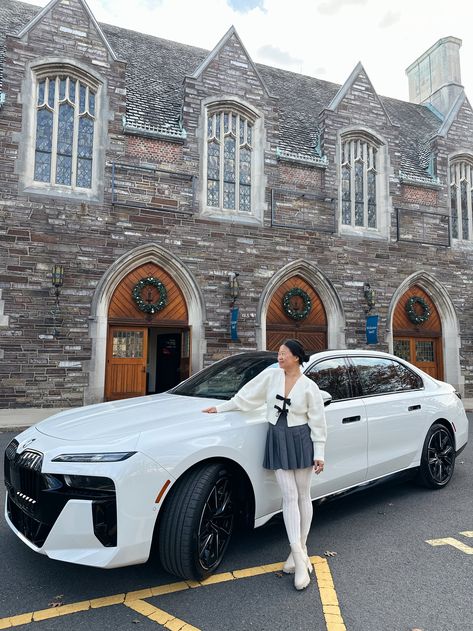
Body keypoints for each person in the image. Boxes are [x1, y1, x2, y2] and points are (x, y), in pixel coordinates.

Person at [203, 339, 327, 591]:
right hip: (277, 437)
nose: (279, 357)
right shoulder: (270, 377)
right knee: (289, 496)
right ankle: (299, 558)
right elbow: (246, 396)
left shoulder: (309, 386)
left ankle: (299, 553)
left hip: (301, 439)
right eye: (279, 353)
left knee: (304, 495)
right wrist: (220, 408)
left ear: (296, 357)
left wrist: (320, 452)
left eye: (284, 354)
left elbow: (318, 421)